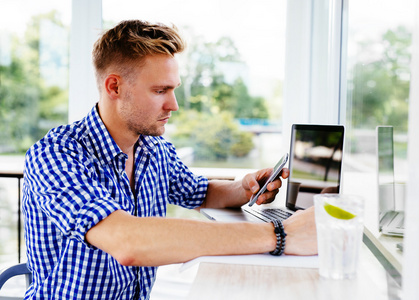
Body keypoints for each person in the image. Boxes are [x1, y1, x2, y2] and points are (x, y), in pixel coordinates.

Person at [22, 20, 317, 299]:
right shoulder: (57, 154)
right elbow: (128, 242)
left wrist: (244, 188)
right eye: (160, 90)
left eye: (173, 89)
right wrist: (280, 234)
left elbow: (200, 192)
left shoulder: (155, 148)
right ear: (114, 87)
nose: (173, 105)